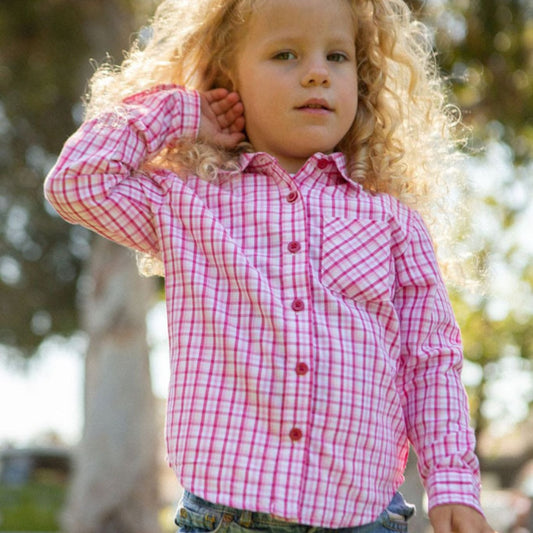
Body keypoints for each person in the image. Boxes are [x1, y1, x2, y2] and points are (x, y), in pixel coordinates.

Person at [44, 0, 496, 531]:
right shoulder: (188, 204)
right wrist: (183, 112)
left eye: (337, 56)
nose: (315, 72)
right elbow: (77, 182)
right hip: (225, 516)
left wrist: (452, 482)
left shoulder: (394, 224)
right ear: (227, 81)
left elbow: (430, 362)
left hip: (363, 519)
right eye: (285, 53)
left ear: (363, 76)